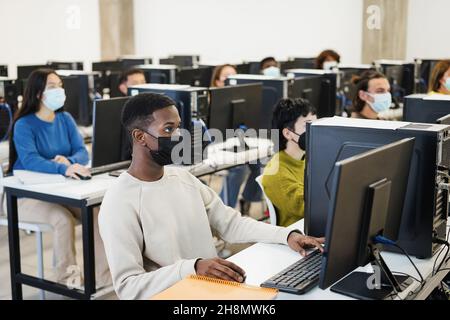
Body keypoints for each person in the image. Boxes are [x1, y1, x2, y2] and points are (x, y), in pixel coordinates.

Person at [98, 93, 325, 299]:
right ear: (139, 137)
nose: (179, 136)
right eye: (169, 129)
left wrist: (287, 236)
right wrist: (193, 268)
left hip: (213, 290)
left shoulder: (183, 179)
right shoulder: (119, 202)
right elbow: (128, 287)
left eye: (179, 128)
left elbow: (230, 224)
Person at [8, 69, 111, 286]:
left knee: (97, 212)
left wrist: (68, 160)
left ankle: (103, 278)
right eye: (53, 86)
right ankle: (69, 281)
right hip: (26, 198)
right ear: (38, 93)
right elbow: (30, 160)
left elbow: (82, 152)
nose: (60, 91)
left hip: (61, 192)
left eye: (60, 85)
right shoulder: (24, 124)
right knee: (62, 220)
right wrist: (62, 168)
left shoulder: (64, 119)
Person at [209, 64, 261, 214]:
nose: (232, 79)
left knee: (258, 162)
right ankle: (224, 211)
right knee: (239, 167)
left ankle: (247, 198)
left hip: (235, 140)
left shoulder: (240, 98)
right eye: (227, 76)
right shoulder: (210, 99)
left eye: (234, 75)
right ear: (217, 81)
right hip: (215, 143)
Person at [262, 98, 317, 227]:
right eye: (307, 125)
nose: (315, 130)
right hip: (302, 237)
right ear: (288, 133)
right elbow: (312, 210)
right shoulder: (277, 175)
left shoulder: (307, 160)